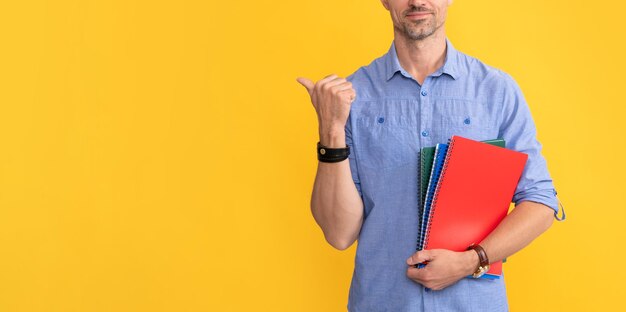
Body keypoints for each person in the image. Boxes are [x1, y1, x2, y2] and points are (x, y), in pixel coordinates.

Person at [297, 0, 563, 311]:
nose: (417, 1)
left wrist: (471, 260)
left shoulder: (496, 91)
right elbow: (339, 234)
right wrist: (331, 131)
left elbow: (541, 201)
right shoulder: (353, 96)